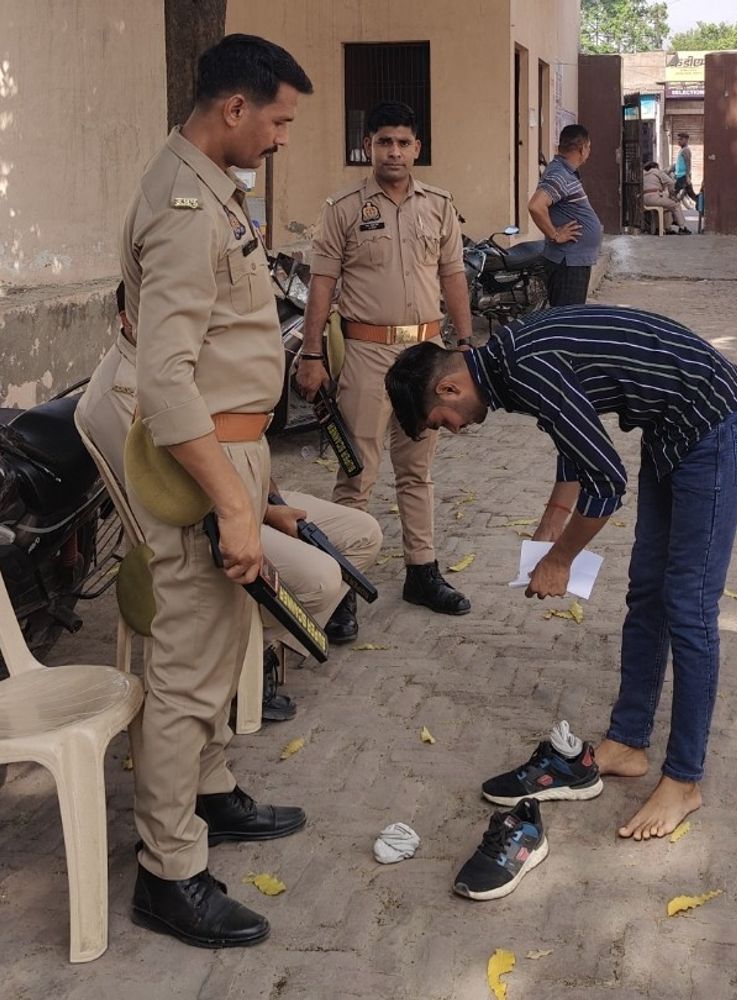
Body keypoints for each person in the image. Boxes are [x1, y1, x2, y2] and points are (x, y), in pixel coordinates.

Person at [384, 305, 737, 842]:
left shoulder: (522, 369)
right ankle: (628, 742)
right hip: (670, 428)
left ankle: (684, 780)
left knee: (689, 608)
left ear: (447, 389)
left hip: (713, 426)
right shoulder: (506, 365)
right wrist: (547, 532)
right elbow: (574, 445)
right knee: (647, 594)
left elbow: (606, 480)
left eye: (442, 422)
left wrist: (560, 560)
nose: (454, 430)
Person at [119, 34, 314, 948]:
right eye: (277, 119)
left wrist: (255, 484)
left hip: (231, 453)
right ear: (235, 108)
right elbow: (164, 380)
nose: (280, 137)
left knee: (223, 648)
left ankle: (208, 793)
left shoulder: (206, 189)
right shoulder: (185, 207)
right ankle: (168, 871)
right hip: (200, 467)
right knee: (187, 674)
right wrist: (233, 504)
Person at [75, 284, 383, 685]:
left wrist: (268, 497)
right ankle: (239, 668)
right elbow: (173, 494)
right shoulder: (124, 390)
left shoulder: (177, 361)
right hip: (202, 525)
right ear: (126, 319)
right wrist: (266, 514)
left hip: (245, 495)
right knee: (322, 578)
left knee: (364, 534)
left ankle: (264, 645)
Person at [295, 100, 473, 621]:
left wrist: (464, 346)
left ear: (417, 148)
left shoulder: (439, 205)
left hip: (425, 356)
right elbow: (322, 284)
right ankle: (342, 586)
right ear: (367, 146)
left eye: (403, 142)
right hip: (368, 354)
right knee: (357, 472)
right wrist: (310, 354)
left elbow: (453, 278)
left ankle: (423, 570)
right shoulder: (344, 209)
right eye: (383, 141)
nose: (393, 151)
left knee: (418, 471)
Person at [528, 124, 603, 306]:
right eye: (589, 147)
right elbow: (536, 205)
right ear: (582, 149)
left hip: (573, 260)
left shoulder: (564, 172)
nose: (589, 152)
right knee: (566, 320)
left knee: (569, 318)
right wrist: (555, 234)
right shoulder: (559, 174)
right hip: (568, 263)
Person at [641, 161, 690, 235]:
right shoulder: (657, 172)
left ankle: (663, 228)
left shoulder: (644, 175)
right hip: (655, 197)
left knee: (665, 207)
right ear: (656, 167)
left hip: (644, 199)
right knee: (675, 205)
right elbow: (671, 182)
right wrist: (671, 194)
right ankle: (682, 228)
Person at [673, 132, 696, 205]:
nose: (679, 141)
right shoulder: (682, 150)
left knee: (673, 192)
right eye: (678, 139)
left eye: (681, 139)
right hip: (681, 176)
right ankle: (702, 203)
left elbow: (688, 163)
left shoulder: (686, 150)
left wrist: (687, 177)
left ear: (686, 140)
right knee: (691, 195)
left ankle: (673, 207)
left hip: (683, 177)